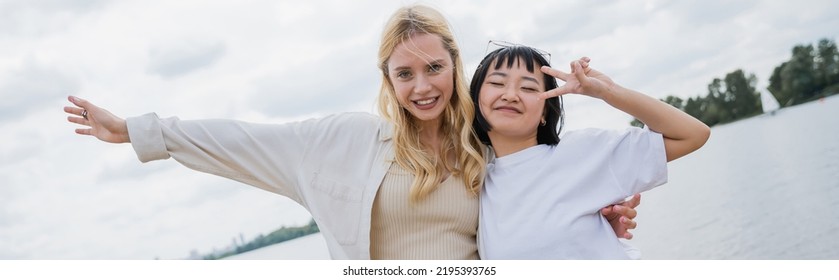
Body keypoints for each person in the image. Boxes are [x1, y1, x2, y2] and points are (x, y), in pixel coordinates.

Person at [64, 5, 640, 260]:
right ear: (388, 80)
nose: (423, 86)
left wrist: (597, 215)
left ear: (455, 66)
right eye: (405, 73)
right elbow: (241, 138)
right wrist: (140, 131)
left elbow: (542, 192)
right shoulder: (345, 143)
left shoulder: (485, 142)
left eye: (435, 68)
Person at [470, 44, 710, 259]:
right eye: (497, 83)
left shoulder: (580, 153)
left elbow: (692, 134)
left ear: (545, 112)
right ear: (475, 99)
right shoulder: (474, 181)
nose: (510, 95)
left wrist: (608, 91)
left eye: (528, 88)